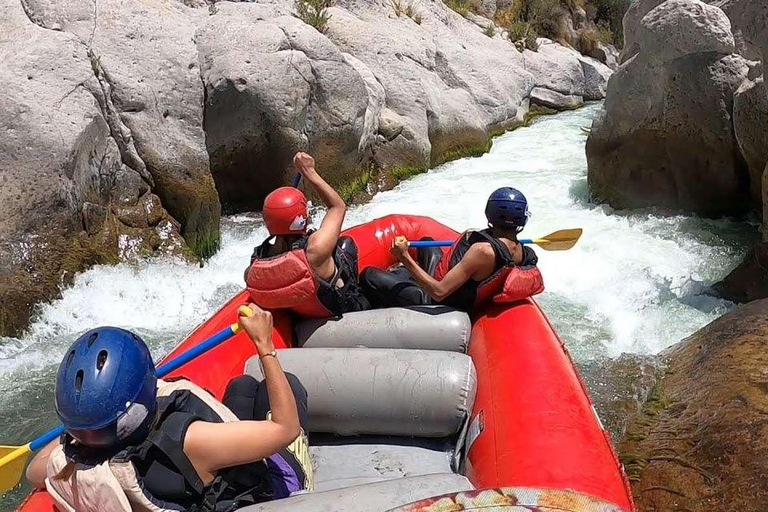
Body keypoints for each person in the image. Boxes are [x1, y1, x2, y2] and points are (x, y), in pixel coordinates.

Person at [26, 304, 313, 511]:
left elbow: (33, 472)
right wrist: (265, 345)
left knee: (242, 386)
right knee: (288, 384)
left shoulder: (72, 462)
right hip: (258, 489)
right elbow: (284, 428)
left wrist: (84, 418)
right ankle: (304, 481)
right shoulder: (191, 440)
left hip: (177, 483)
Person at [360, 187, 543, 312]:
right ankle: (403, 275)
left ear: (490, 213)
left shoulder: (482, 251)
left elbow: (439, 293)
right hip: (457, 286)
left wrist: (404, 256)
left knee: (369, 275)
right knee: (426, 242)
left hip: (438, 301)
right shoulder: (521, 251)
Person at [244, 152, 370, 318]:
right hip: (343, 311)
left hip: (301, 317)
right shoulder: (315, 249)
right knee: (345, 244)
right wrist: (309, 172)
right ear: (301, 218)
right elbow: (337, 207)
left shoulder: (257, 261)